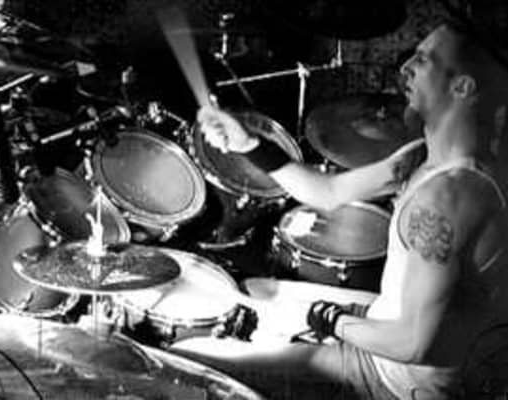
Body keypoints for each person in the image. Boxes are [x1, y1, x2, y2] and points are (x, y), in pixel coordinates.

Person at [170, 22, 508, 400]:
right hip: (388, 327)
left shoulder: (449, 197)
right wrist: (248, 144)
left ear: (462, 87)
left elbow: (413, 343)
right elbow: (327, 192)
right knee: (258, 292)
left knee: (193, 355)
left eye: (423, 60)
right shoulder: (429, 159)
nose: (405, 68)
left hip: (394, 382)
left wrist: (332, 320)